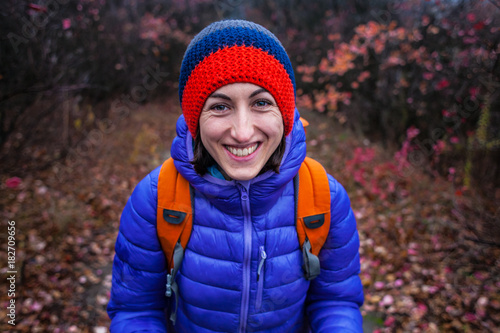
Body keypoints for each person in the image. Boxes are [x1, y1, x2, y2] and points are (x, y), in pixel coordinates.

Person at [107, 19, 364, 332]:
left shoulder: (324, 196)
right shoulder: (156, 197)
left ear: (283, 112)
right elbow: (135, 310)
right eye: (220, 107)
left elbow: (335, 301)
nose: (242, 133)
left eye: (261, 103)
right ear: (194, 119)